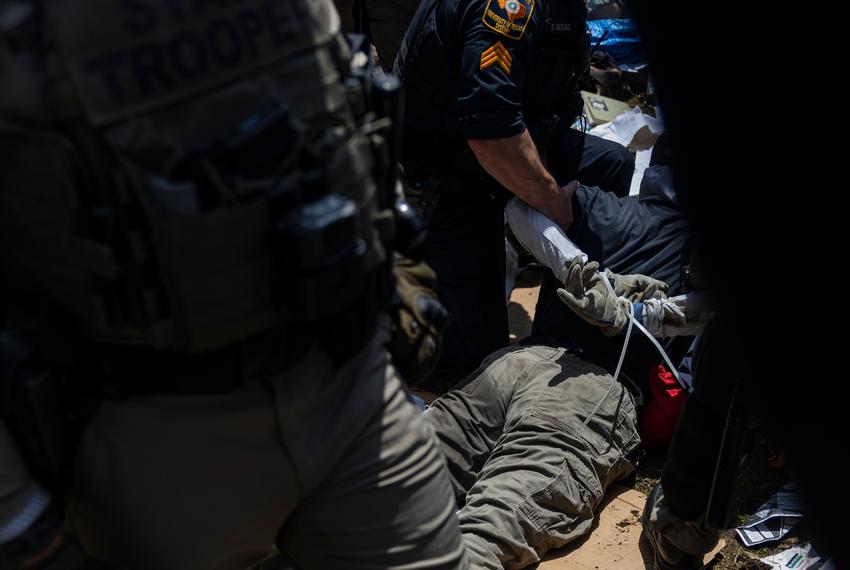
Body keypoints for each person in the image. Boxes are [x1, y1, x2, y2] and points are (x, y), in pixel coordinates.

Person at [0, 1, 467, 568]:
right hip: (148, 435)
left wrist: (391, 272)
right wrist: (18, 521)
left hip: (349, 384)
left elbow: (338, 108)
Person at [394, 0, 635, 390]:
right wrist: (550, 199)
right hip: (447, 171)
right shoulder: (508, 6)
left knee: (611, 164)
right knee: (468, 364)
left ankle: (566, 328)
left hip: (508, 143)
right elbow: (490, 133)